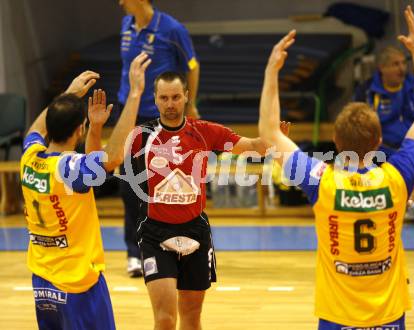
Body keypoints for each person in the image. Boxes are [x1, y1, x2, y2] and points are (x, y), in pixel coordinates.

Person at [258, 6, 414, 329]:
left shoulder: (323, 182)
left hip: (338, 317)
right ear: (380, 139)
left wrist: (272, 71)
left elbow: (270, 134)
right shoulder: (398, 177)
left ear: (337, 144)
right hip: (389, 316)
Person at [125, 70, 288, 330]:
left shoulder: (204, 132)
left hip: (195, 231)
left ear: (186, 97)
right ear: (154, 99)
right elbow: (104, 156)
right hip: (155, 233)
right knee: (165, 319)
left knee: (191, 318)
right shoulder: (141, 136)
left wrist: (276, 139)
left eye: (176, 97)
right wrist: (98, 126)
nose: (170, 104)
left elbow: (253, 145)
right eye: (164, 98)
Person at [20, 53, 151, 329]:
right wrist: (136, 94)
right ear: (78, 130)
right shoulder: (69, 169)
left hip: (42, 279)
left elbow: (36, 128)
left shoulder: (29, 158)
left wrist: (70, 96)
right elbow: (113, 156)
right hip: (77, 282)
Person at [117, 0, 200, 277]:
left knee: (162, 185)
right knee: (129, 186)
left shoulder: (172, 29)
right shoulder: (126, 25)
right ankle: (134, 252)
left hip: (160, 120)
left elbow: (192, 65)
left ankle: (168, 246)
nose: (120, 3)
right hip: (129, 114)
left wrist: (190, 104)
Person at [354, 44, 414, 224]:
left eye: (403, 63)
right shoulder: (367, 91)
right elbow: (358, 123)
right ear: (382, 68)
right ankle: (386, 205)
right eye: (395, 64)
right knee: (360, 158)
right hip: (382, 149)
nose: (401, 68)